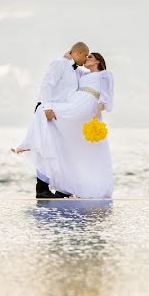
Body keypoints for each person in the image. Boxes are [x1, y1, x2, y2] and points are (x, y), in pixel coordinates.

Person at [14, 51, 114, 199]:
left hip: (87, 105)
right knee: (48, 116)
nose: (87, 59)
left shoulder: (104, 75)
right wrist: (68, 58)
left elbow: (106, 95)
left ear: (98, 61)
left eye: (90, 57)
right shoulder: (83, 74)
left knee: (43, 109)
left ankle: (28, 143)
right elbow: (72, 68)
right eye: (86, 56)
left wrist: (96, 113)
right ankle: (64, 183)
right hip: (75, 103)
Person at [28, 42, 90, 198]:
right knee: (45, 150)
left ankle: (60, 188)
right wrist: (47, 107)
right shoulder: (59, 64)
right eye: (85, 55)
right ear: (79, 53)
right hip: (46, 110)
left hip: (59, 114)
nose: (86, 59)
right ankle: (41, 189)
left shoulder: (77, 72)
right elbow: (46, 85)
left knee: (58, 150)